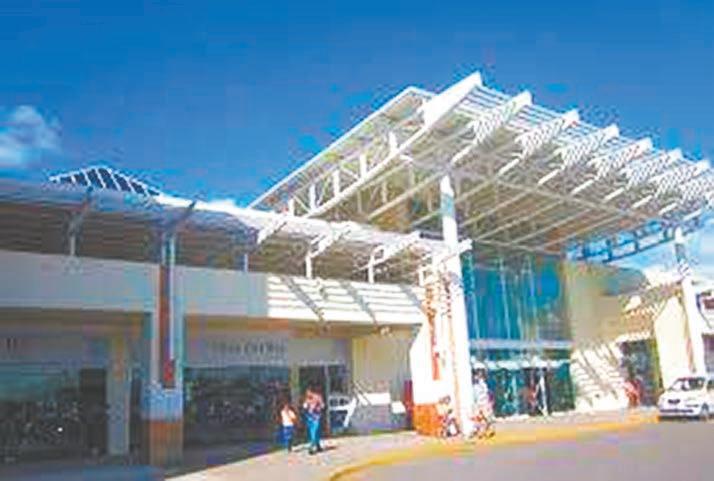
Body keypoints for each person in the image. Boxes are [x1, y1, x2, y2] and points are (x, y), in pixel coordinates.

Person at [470, 372, 495, 439]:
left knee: (487, 418)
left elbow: (488, 393)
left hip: (484, 403)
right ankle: (479, 432)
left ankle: (488, 430)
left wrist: (490, 402)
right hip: (478, 404)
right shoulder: (474, 386)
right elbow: (474, 396)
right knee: (478, 418)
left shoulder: (482, 384)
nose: (475, 378)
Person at [302, 387, 325, 455]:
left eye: (308, 392)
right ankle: (317, 445)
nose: (307, 394)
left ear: (311, 392)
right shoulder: (307, 399)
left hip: (316, 416)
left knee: (315, 431)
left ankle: (311, 447)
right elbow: (305, 406)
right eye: (306, 393)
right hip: (309, 417)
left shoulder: (318, 397)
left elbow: (322, 405)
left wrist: (318, 408)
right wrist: (305, 407)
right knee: (312, 431)